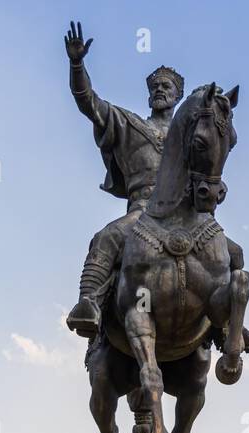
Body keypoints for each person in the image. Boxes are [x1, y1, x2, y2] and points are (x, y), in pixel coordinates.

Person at [63, 20, 185, 338]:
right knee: (107, 237)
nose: (160, 90)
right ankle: (88, 304)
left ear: (177, 97)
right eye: (155, 87)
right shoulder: (127, 124)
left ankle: (230, 325)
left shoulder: (187, 139)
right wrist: (77, 63)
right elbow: (88, 102)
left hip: (184, 215)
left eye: (166, 87)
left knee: (233, 255)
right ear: (149, 97)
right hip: (143, 212)